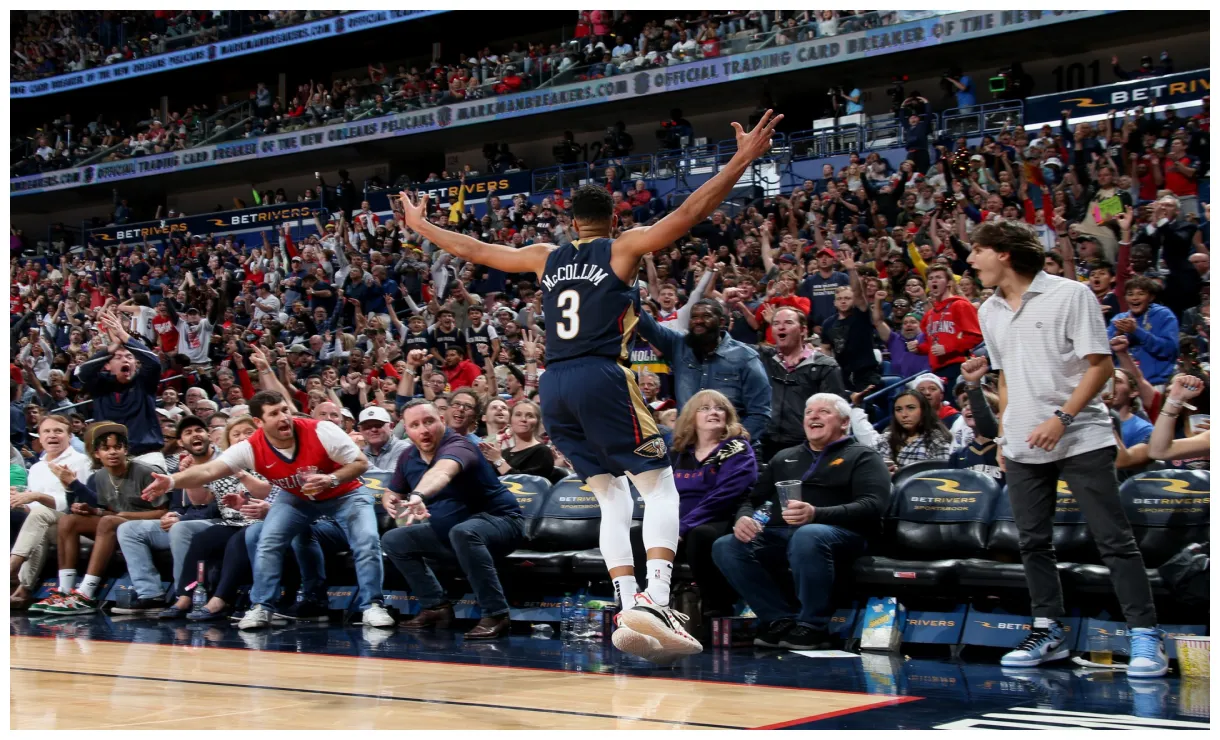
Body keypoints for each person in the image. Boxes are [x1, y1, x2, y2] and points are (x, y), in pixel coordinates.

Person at [396, 109, 785, 662]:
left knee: (609, 494)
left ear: (570, 222)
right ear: (612, 218)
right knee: (660, 488)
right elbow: (691, 210)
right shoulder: (623, 248)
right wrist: (742, 161)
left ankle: (627, 602)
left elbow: (475, 251)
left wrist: (423, 229)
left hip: (552, 384)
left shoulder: (542, 258)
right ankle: (658, 596)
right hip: (601, 374)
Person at [969, 220, 1168, 678]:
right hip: (1021, 440)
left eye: (977, 251)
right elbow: (1005, 377)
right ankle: (1048, 630)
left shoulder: (1070, 294)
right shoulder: (989, 310)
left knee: (1113, 539)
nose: (971, 260)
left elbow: (1098, 368)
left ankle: (1145, 635)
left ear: (1003, 253)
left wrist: (1062, 419)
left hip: (1081, 435)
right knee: (1033, 542)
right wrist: (1004, 434)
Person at [139, 390, 393, 630]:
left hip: (344, 493)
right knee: (268, 539)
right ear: (260, 422)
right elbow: (208, 470)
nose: (283, 417)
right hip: (298, 497)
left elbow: (360, 463)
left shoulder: (321, 430)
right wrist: (172, 481)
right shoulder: (250, 447)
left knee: (367, 540)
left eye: (285, 410)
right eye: (274, 413)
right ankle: (262, 605)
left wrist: (332, 479)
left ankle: (372, 605)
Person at [712, 393, 889, 650]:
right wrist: (743, 518)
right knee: (726, 545)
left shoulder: (863, 456)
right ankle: (779, 619)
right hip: (784, 533)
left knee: (808, 534)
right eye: (809, 412)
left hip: (846, 534)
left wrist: (817, 513)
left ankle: (813, 625)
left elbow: (874, 505)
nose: (814, 416)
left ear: (844, 422)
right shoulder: (784, 457)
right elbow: (752, 499)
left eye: (824, 412)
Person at [380, 400, 526, 639]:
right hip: (450, 532)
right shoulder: (408, 456)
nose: (423, 430)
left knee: (464, 532)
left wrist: (418, 494)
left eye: (429, 421)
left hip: (501, 523)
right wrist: (390, 498)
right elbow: (394, 489)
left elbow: (442, 471)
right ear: (406, 430)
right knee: (394, 540)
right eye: (415, 425)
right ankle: (435, 607)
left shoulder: (460, 445)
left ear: (442, 419)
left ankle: (496, 614)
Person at [632, 390, 755, 619]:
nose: (714, 412)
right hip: (678, 525)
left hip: (718, 519)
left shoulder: (738, 449)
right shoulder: (679, 453)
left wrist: (682, 527)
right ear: (691, 416)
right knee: (638, 534)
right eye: (705, 408)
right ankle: (649, 604)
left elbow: (723, 497)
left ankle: (716, 608)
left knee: (700, 536)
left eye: (719, 408)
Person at [28, 423, 168, 615]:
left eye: (117, 447)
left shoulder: (146, 471)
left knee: (108, 522)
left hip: (146, 526)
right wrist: (87, 509)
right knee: (68, 520)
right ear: (96, 454)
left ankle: (86, 593)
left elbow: (163, 512)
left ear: (125, 450)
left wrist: (117, 515)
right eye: (106, 448)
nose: (112, 452)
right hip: (114, 524)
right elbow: (104, 510)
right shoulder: (99, 477)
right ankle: (65, 591)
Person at [112, 416, 233, 615]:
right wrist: (173, 514)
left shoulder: (224, 462)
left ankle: (183, 594)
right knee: (128, 529)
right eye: (188, 432)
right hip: (187, 520)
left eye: (198, 430)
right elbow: (178, 505)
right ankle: (150, 595)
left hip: (217, 521)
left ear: (209, 435)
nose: (195, 434)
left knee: (180, 529)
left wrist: (181, 519)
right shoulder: (182, 466)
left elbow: (220, 506)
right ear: (180, 443)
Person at [635, 298, 771, 444]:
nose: (698, 321)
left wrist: (732, 445)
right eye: (694, 317)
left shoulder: (746, 357)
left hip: (733, 450)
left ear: (721, 322)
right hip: (688, 448)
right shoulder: (678, 346)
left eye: (706, 316)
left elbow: (760, 413)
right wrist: (624, 286)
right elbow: (646, 325)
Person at [9, 415, 93, 610]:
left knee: (39, 516)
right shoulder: (37, 467)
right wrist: (20, 501)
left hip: (80, 522)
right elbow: (35, 509)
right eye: (46, 431)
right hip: (49, 524)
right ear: (39, 437)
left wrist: (36, 496)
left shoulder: (81, 461)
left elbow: (75, 503)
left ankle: (10, 568)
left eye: (58, 431)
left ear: (70, 436)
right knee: (32, 519)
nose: (52, 435)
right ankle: (23, 589)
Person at [74, 308, 167, 471]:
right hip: (111, 458)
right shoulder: (100, 384)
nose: (125, 359)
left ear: (136, 363)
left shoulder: (143, 382)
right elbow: (82, 373)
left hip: (146, 455)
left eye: (130, 357)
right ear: (108, 365)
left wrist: (124, 335)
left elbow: (154, 363)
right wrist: (111, 348)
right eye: (118, 357)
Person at [757, 307, 845, 460]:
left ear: (803, 330)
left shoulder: (825, 366)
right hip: (765, 445)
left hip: (806, 447)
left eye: (788, 323)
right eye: (776, 323)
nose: (781, 327)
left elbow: (833, 414)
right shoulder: (761, 358)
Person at [914, 264, 982, 392]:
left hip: (960, 366)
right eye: (931, 278)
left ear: (949, 283)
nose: (934, 280)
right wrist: (918, 348)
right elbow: (931, 345)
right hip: (937, 370)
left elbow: (975, 336)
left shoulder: (960, 305)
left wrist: (947, 348)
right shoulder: (930, 313)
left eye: (938, 277)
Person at [819, 253, 880, 393]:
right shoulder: (828, 323)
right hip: (842, 374)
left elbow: (858, 293)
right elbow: (826, 347)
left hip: (866, 373)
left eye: (847, 298)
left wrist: (851, 270)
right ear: (835, 302)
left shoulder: (861, 314)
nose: (843, 301)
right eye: (840, 299)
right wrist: (830, 367)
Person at [1106, 277, 1179, 388]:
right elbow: (1104, 353)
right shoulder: (1119, 319)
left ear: (1151, 297)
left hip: (1154, 384)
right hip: (1124, 387)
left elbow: (1169, 350)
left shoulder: (1164, 315)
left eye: (1140, 294)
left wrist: (1137, 331)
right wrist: (1117, 334)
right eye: (1130, 294)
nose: (1135, 298)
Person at [949, 357, 1004, 482]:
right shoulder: (958, 455)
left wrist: (973, 384)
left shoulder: (1006, 450)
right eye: (965, 405)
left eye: (975, 406)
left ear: (998, 413)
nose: (969, 408)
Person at [874, 390, 952, 474]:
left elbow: (944, 476)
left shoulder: (937, 441)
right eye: (898, 409)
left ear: (924, 411)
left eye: (911, 408)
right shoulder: (885, 439)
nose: (904, 414)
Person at [478, 400, 557, 481]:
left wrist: (498, 461)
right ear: (510, 420)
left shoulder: (542, 451)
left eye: (530, 416)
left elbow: (526, 484)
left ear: (537, 422)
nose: (523, 419)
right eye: (518, 415)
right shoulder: (505, 452)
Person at [1147, 374, 1210, 461]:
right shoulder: (1165, 428)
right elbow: (1157, 451)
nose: (1171, 389)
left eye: (1184, 385)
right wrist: (1175, 399)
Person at [1105, 369, 1154, 448]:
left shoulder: (1142, 429)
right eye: (1106, 380)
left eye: (1117, 381)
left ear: (1133, 392)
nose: (1110, 385)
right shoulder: (1093, 421)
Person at [358, 406, 411, 472]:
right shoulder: (363, 452)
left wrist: (360, 460)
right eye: (367, 427)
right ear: (360, 430)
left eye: (378, 425)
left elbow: (390, 478)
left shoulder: (404, 449)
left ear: (391, 426)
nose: (373, 429)